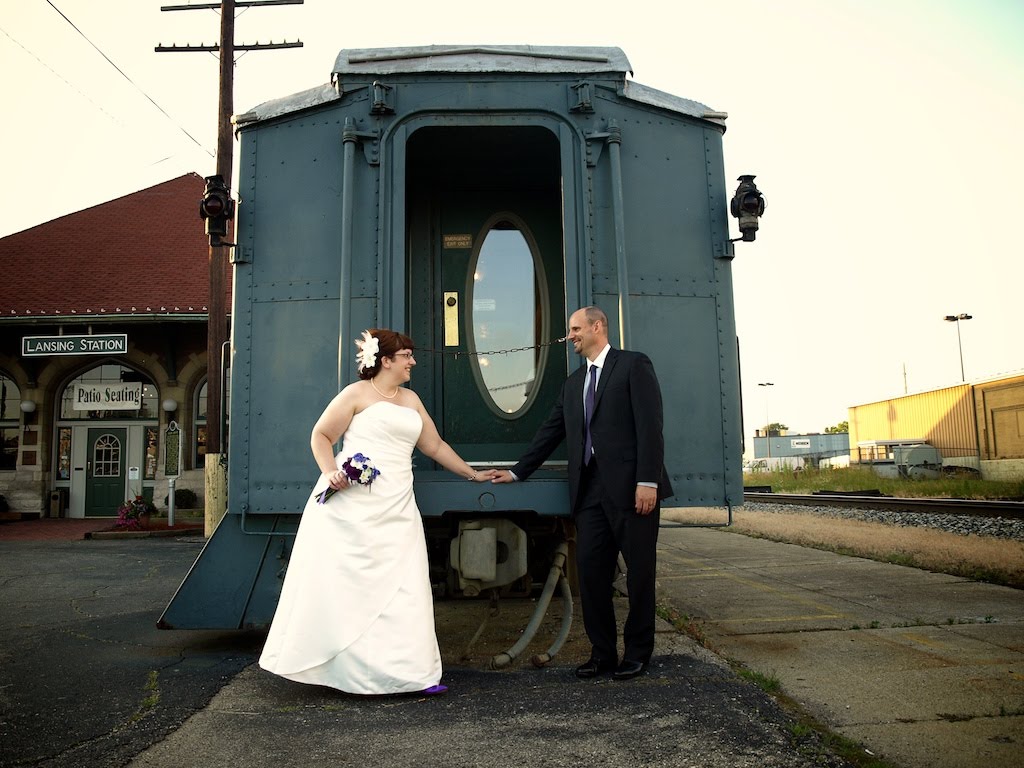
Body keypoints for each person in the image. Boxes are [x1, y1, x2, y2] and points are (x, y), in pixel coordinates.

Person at [259, 328, 496, 696]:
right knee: (352, 587)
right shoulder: (355, 395)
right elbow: (321, 436)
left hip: (398, 503)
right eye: (406, 356)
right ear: (386, 360)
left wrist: (472, 474)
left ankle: (413, 675)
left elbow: (433, 445)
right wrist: (330, 473)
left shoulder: (412, 399)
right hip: (353, 505)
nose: (412, 362)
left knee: (406, 584)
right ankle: (345, 673)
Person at [492, 306, 672, 680]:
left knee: (639, 576)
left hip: (632, 491)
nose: (570, 335)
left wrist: (648, 481)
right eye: (570, 329)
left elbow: (651, 426)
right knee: (590, 576)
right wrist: (516, 471)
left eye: (576, 328)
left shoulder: (633, 366)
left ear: (597, 326)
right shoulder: (573, 385)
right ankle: (602, 654)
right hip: (588, 494)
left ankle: (638, 654)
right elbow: (550, 431)